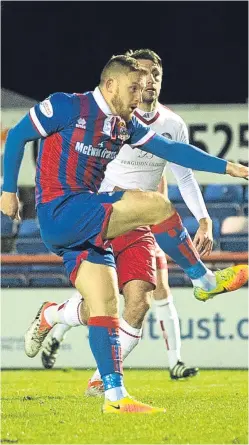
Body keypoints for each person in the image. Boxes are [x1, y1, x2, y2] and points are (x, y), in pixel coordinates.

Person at [1, 54, 248, 414]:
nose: (139, 96)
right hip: (61, 212)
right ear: (111, 85)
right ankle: (205, 281)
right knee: (158, 205)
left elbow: (173, 151)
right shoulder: (67, 106)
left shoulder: (124, 125)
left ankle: (114, 398)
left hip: (86, 222)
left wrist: (229, 167)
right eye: (133, 88)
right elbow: (18, 136)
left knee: (105, 307)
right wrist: (9, 190)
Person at [42, 49, 215, 388]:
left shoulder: (172, 125)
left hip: (145, 222)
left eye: (156, 75)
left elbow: (185, 175)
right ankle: (56, 319)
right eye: (143, 75)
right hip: (105, 215)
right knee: (101, 302)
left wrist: (204, 219)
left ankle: (103, 376)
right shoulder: (113, 119)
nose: (150, 81)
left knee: (141, 300)